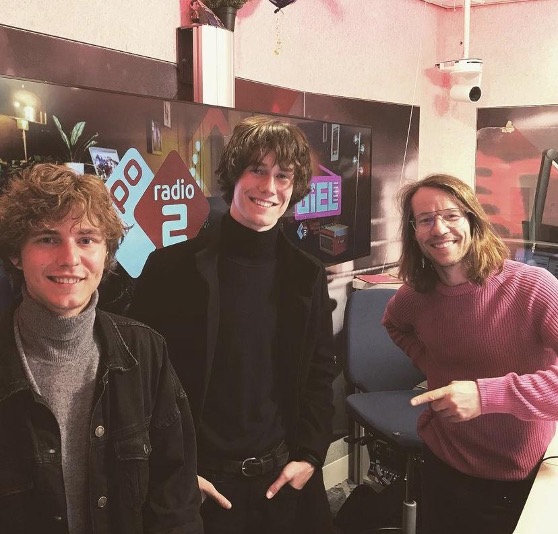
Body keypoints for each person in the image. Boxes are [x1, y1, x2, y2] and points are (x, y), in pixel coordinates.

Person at [128, 115, 337, 534]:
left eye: (283, 175)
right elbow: (138, 381)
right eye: (257, 170)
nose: (269, 187)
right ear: (234, 175)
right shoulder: (170, 269)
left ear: (295, 187)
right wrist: (175, 473)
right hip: (200, 486)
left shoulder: (306, 274)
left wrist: (311, 456)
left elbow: (319, 371)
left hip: (281, 482)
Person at [0, 164, 202, 533]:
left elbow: (175, 494)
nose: (69, 258)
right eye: (47, 238)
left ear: (106, 252)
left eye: (86, 239)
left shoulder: (146, 351)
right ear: (16, 253)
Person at [382, 173, 558, 534]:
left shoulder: (533, 287)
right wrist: (433, 363)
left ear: (473, 221)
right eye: (425, 220)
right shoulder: (415, 296)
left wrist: (486, 396)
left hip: (513, 477)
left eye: (451, 215)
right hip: (442, 462)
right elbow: (394, 325)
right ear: (414, 233)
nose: (439, 229)